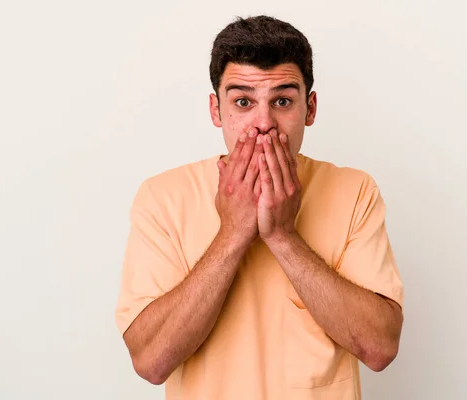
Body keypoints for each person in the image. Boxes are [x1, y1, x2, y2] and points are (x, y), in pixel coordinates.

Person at [115, 15, 404, 400]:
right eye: (243, 102)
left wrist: (283, 236)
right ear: (217, 110)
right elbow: (150, 362)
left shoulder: (355, 191)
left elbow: (380, 348)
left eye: (282, 101)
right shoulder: (162, 196)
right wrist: (233, 233)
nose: (264, 123)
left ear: (310, 108)